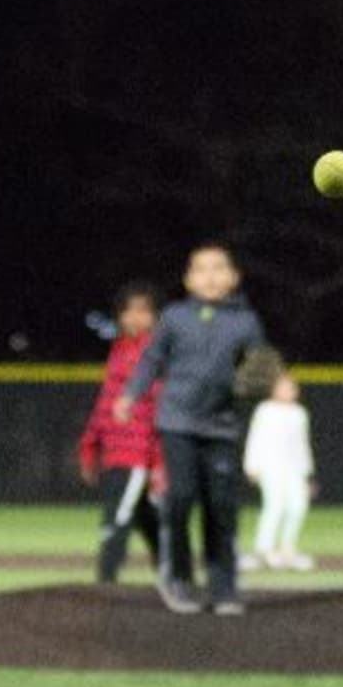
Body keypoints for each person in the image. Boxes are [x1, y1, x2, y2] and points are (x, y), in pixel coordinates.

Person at [115, 242, 268, 615]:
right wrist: (130, 394)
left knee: (221, 507)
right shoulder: (175, 317)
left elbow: (259, 365)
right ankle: (179, 578)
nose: (210, 276)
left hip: (222, 428)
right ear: (188, 279)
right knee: (180, 499)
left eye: (218, 268)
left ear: (233, 277)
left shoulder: (245, 321)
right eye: (201, 269)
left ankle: (224, 587)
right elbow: (153, 358)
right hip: (178, 423)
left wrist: (257, 383)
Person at [76, 281, 164, 584]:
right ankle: (171, 567)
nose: (135, 317)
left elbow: (160, 409)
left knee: (116, 516)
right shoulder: (119, 350)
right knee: (143, 515)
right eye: (128, 311)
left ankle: (106, 581)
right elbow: (105, 404)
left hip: (137, 452)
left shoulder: (157, 354)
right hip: (115, 450)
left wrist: (159, 459)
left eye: (143, 311)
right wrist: (90, 446)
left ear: (155, 317)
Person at [242, 373, 316, 572]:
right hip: (270, 467)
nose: (289, 391)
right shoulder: (265, 410)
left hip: (294, 469)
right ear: (274, 390)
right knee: (274, 506)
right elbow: (254, 438)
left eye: (291, 388)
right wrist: (251, 465)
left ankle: (287, 549)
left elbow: (302, 445)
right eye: (284, 387)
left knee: (298, 506)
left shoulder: (299, 413)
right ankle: (262, 551)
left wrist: (307, 474)